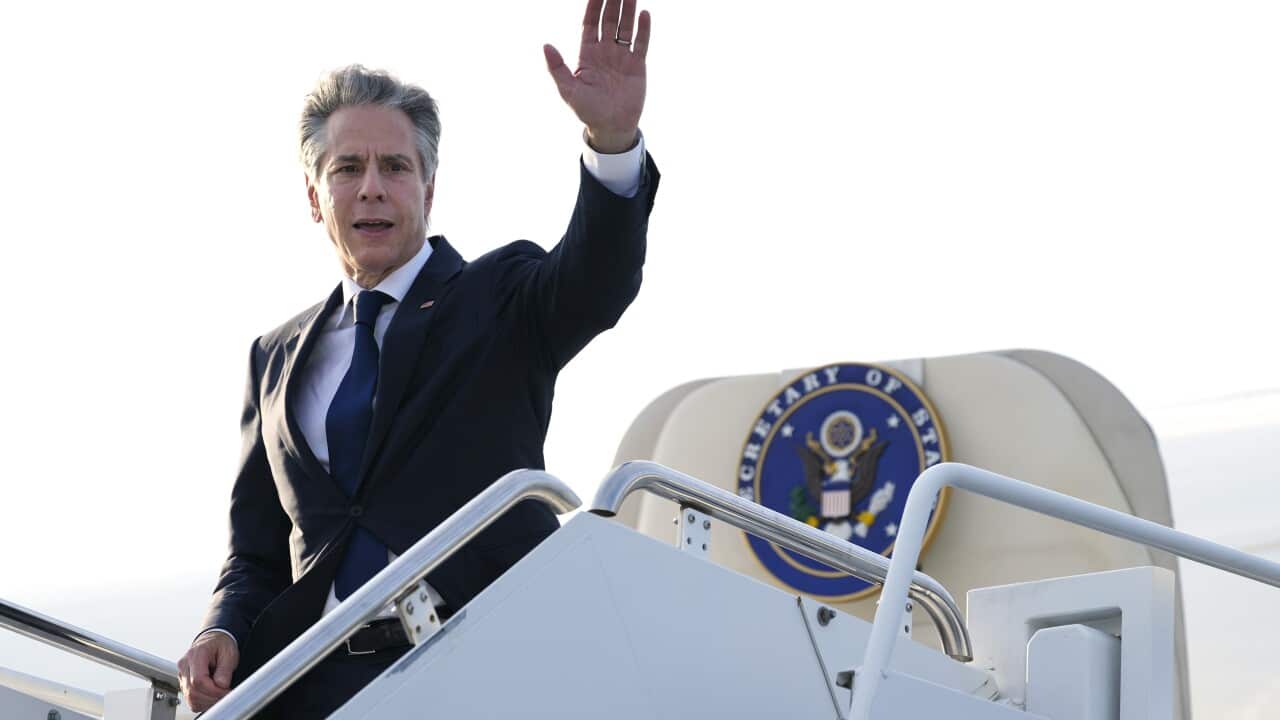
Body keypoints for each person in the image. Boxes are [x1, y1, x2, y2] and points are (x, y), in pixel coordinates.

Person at [176, 0, 656, 715]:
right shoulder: (271, 358)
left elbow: (598, 281)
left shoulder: (499, 298)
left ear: (428, 188)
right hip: (317, 689)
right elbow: (257, 553)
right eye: (348, 168)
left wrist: (611, 143)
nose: (372, 186)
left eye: (395, 166)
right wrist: (221, 627)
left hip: (484, 672)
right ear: (315, 196)